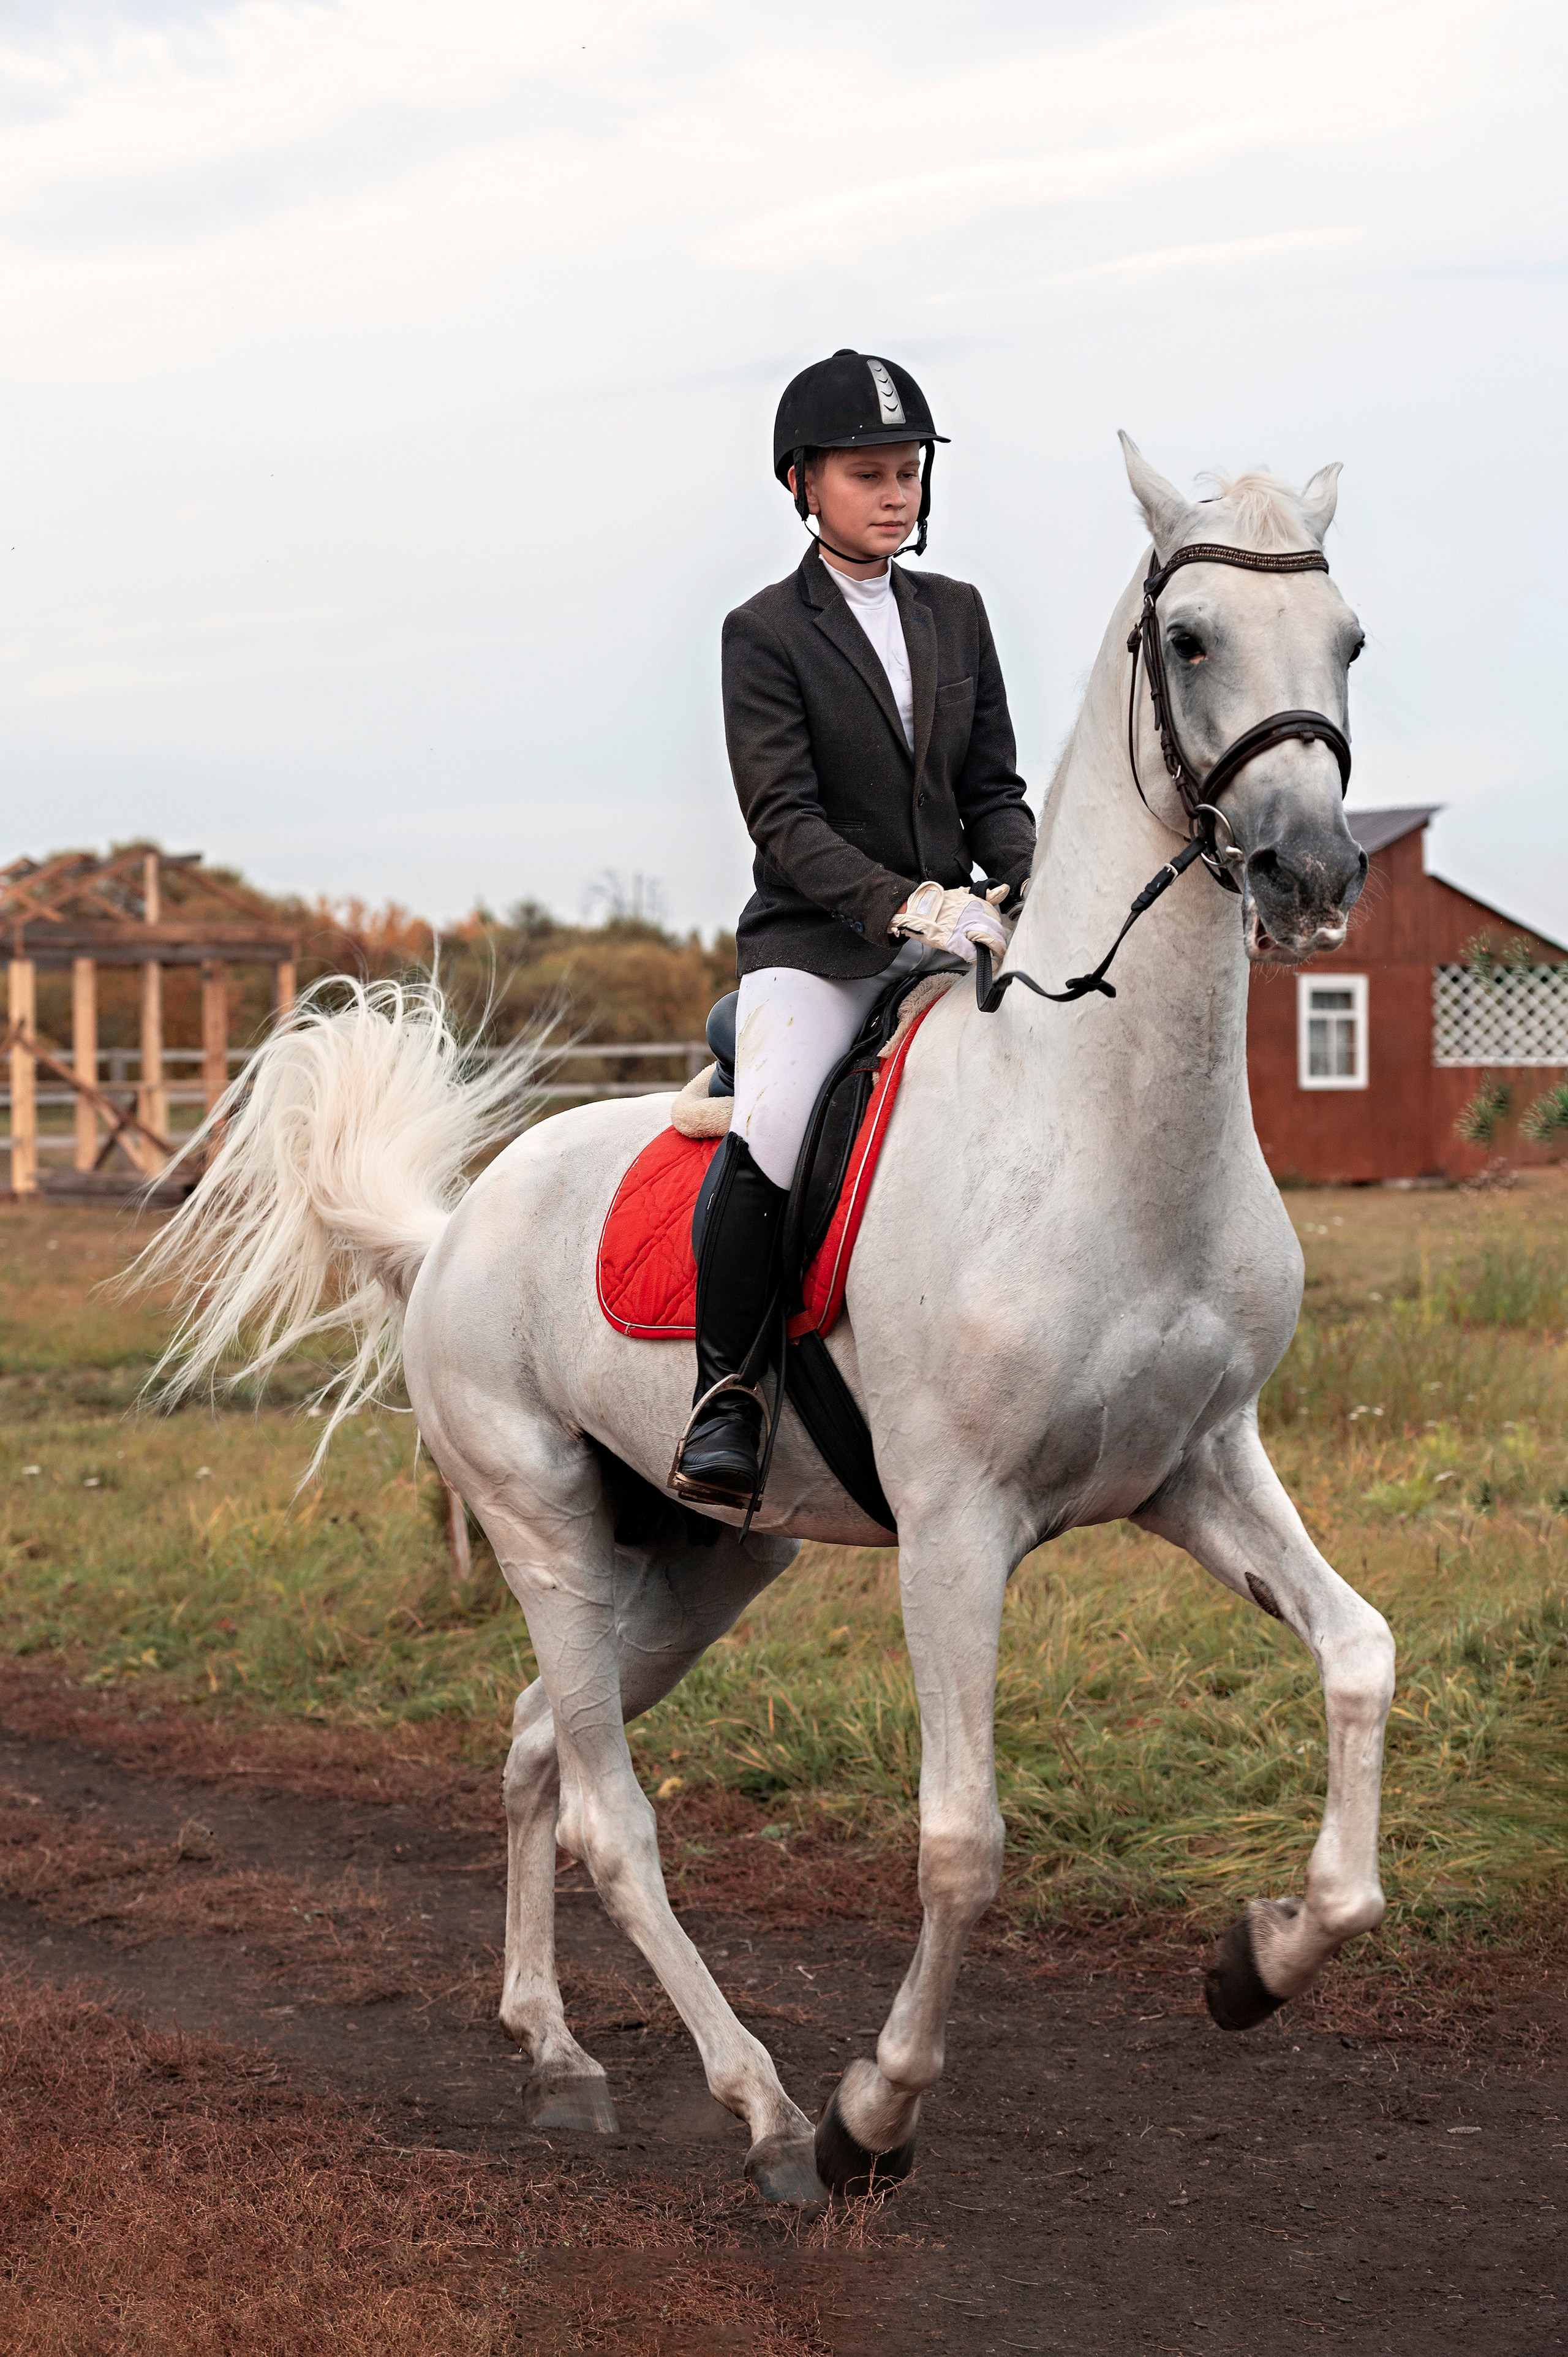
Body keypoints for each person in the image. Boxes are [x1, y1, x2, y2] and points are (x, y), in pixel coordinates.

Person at [671, 348, 1037, 1510]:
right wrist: (903, 902)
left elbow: (993, 791)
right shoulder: (764, 630)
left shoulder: (959, 615)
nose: (896, 495)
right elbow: (783, 818)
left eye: (909, 473)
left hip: (958, 935)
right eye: (870, 475)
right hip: (818, 946)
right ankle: (727, 1391)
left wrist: (1031, 885)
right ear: (803, 484)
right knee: (778, 1119)